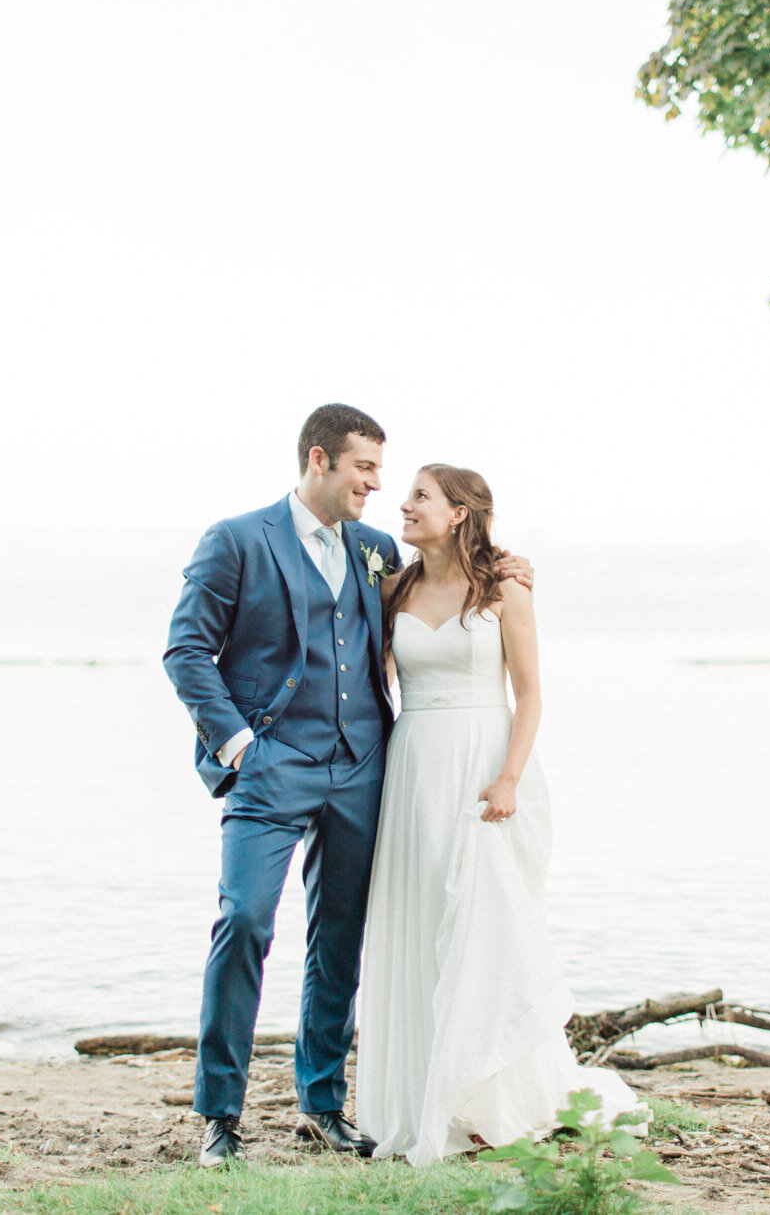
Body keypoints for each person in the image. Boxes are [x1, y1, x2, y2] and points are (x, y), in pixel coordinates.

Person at [163, 405, 532, 1167]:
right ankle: (221, 1114)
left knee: (340, 941)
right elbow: (186, 651)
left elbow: (445, 592)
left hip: (365, 768)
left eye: (382, 471)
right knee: (246, 922)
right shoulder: (236, 539)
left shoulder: (374, 550)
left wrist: (507, 566)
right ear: (320, 459)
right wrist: (240, 745)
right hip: (269, 767)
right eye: (365, 468)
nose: (377, 484)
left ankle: (322, 1101)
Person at [355, 464, 639, 1165]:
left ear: (458, 512)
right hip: (415, 765)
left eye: (419, 495)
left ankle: (492, 1096)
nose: (403, 504)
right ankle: (429, 1098)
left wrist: (509, 775)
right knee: (424, 927)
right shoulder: (393, 587)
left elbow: (532, 693)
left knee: (485, 931)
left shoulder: (506, 587)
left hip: (486, 768)